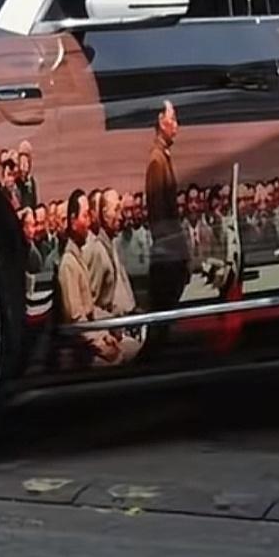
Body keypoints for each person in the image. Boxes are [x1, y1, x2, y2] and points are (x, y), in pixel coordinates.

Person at [56, 190, 121, 367]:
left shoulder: (77, 257)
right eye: (85, 216)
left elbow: (90, 312)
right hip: (80, 353)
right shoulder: (68, 264)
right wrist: (101, 344)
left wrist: (105, 334)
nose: (89, 222)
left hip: (88, 343)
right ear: (73, 220)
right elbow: (77, 321)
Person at [88, 189, 143, 363]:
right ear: (105, 215)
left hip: (124, 326)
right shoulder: (97, 250)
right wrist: (111, 326)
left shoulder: (111, 245)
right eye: (116, 210)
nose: (121, 216)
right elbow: (90, 305)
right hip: (111, 334)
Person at [146, 99, 188, 311]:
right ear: (162, 122)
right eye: (173, 119)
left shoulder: (163, 157)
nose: (177, 126)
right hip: (167, 254)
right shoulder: (157, 160)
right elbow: (159, 214)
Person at [15, 144, 37, 212]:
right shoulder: (16, 181)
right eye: (22, 163)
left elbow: (34, 200)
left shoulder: (31, 180)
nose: (24, 167)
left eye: (26, 163)